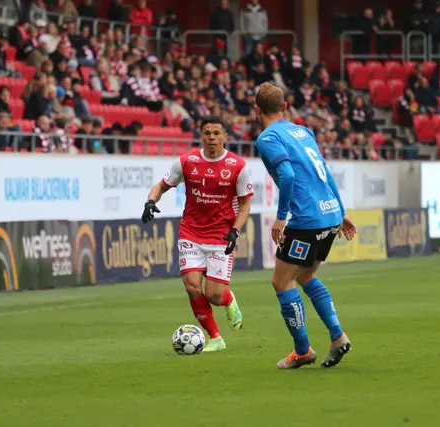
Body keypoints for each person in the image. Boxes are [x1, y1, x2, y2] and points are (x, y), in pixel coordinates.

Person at [254, 83, 357, 369]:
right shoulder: (303, 131)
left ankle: (302, 351)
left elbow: (286, 176)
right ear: (285, 106)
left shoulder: (267, 137)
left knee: (281, 280)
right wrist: (341, 211)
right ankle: (337, 336)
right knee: (305, 276)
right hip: (328, 214)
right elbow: (324, 171)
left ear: (256, 109)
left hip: (306, 219)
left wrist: (281, 217)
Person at [142, 116, 253, 352]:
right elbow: (161, 185)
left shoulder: (238, 167)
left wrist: (235, 230)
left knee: (214, 295)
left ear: (225, 136)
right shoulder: (187, 161)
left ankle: (229, 299)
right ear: (201, 135)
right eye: (207, 133)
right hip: (190, 232)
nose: (212, 137)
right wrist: (150, 201)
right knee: (192, 287)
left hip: (221, 236)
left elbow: (244, 206)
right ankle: (215, 338)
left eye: (216, 133)